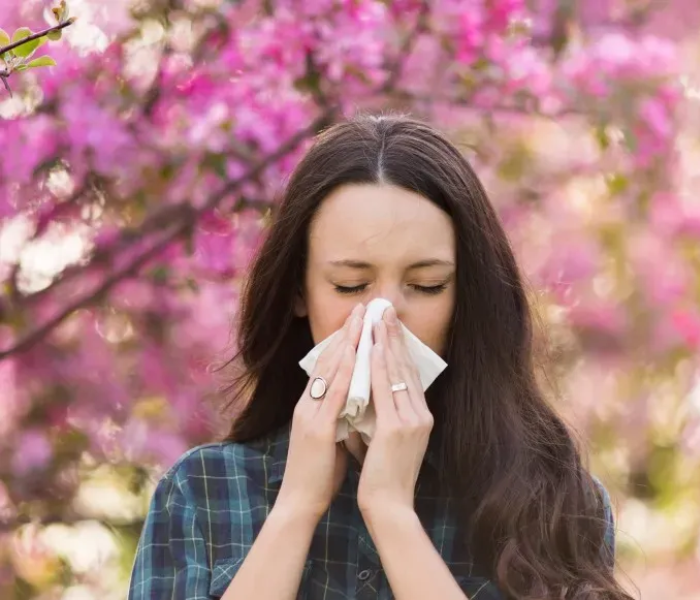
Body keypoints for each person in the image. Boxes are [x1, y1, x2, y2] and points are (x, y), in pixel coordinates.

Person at [126, 114, 632, 599]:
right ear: (299, 290)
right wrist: (297, 506)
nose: (385, 317)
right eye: (351, 285)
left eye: (426, 285)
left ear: (466, 296)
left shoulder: (553, 504)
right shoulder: (202, 493)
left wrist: (391, 513)